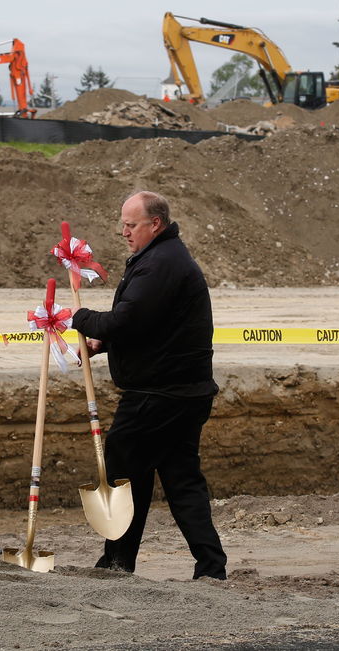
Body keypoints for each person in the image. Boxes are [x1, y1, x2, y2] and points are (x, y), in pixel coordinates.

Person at [71, 190, 227, 580]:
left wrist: (81, 318)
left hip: (158, 397)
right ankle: (211, 567)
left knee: (125, 474)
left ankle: (118, 562)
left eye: (131, 224)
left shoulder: (160, 263)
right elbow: (154, 327)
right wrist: (102, 344)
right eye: (122, 223)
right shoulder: (164, 258)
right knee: (181, 481)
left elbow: (127, 320)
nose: (123, 232)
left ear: (154, 224)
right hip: (184, 393)